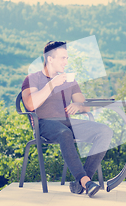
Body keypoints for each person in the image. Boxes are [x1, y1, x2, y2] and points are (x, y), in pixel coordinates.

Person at [21, 41, 113, 197]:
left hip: (68, 122)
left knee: (105, 131)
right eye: (63, 58)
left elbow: (84, 104)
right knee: (65, 133)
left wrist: (77, 105)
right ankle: (85, 182)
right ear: (50, 59)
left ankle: (83, 182)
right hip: (44, 124)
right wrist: (51, 85)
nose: (66, 62)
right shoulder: (33, 78)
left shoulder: (69, 80)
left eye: (67, 58)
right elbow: (30, 105)